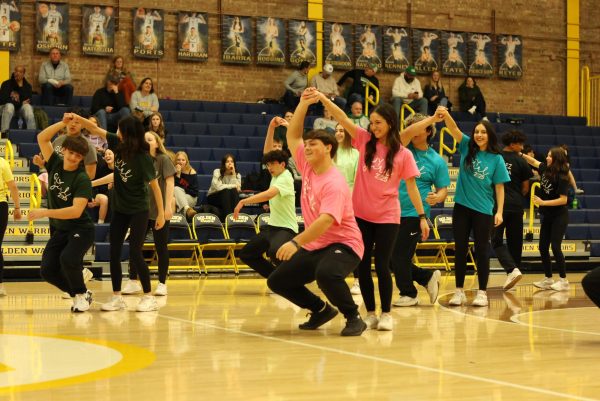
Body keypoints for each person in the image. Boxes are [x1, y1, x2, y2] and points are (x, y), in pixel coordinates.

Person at [319, 93, 429, 331]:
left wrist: (422, 217)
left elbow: (412, 187)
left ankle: (386, 314)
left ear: (390, 122)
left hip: (388, 217)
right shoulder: (364, 140)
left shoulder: (403, 154)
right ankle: (370, 313)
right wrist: (324, 100)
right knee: (362, 265)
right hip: (360, 215)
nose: (374, 126)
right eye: (372, 122)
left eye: (379, 122)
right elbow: (342, 117)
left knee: (382, 265)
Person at [266, 88, 367, 337]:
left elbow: (325, 221)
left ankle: (354, 317)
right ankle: (320, 309)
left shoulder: (335, 182)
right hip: (316, 245)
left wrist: (295, 241)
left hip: (345, 244)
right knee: (277, 280)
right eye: (307, 145)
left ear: (329, 148)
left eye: (313, 145)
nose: (307, 148)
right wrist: (303, 104)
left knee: (326, 274)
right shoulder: (308, 166)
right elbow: (293, 134)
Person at [85, 114, 165, 312]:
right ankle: (116, 297)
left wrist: (161, 214)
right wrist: (76, 118)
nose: (116, 132)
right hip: (120, 208)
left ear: (127, 133)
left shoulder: (143, 158)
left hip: (138, 209)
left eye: (120, 129)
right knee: (114, 251)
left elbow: (155, 188)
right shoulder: (118, 145)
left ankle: (148, 297)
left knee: (135, 252)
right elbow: (95, 130)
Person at [438, 108, 510, 307]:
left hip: (483, 211)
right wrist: (445, 113)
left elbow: (500, 187)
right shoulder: (466, 146)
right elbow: (452, 128)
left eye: (483, 132)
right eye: (477, 131)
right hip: (461, 207)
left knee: (482, 250)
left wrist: (500, 211)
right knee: (460, 249)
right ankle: (459, 291)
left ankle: (482, 292)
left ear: (489, 135)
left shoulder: (496, 159)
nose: (479, 135)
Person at [28, 115, 94, 312]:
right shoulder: (55, 163)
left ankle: (81, 294)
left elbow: (75, 211)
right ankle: (80, 293)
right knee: (47, 270)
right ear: (64, 150)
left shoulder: (81, 179)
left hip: (81, 228)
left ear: (82, 158)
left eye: (78, 156)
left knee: (67, 259)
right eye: (71, 153)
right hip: (61, 229)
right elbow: (42, 138)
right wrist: (64, 124)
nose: (73, 158)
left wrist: (44, 212)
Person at [391, 113, 450, 306]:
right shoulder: (401, 148)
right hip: (390, 212)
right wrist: (433, 118)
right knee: (390, 258)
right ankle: (426, 277)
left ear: (428, 131)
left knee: (399, 257)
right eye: (411, 127)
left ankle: (409, 293)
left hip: (415, 214)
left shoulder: (437, 161)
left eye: (419, 127)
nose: (413, 130)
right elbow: (404, 133)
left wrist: (438, 197)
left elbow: (443, 190)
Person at [122, 131, 175, 296]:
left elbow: (170, 183)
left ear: (157, 143)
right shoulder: (138, 160)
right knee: (134, 246)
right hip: (141, 211)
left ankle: (162, 283)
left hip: (158, 211)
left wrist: (166, 208)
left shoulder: (163, 159)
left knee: (161, 247)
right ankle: (132, 281)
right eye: (143, 139)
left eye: (150, 139)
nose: (146, 142)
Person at [235, 149, 298, 278]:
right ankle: (276, 278)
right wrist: (271, 128)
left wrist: (243, 201)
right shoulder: (275, 176)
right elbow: (267, 151)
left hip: (286, 228)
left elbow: (269, 194)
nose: (269, 167)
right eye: (268, 165)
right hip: (272, 227)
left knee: (275, 251)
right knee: (246, 254)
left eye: (272, 164)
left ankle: (292, 278)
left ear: (282, 164)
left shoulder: (286, 176)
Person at [521, 147, 571, 291]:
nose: (547, 158)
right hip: (548, 216)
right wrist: (520, 154)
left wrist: (543, 203)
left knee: (555, 246)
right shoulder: (545, 170)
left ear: (556, 159)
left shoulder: (563, 176)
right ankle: (548, 278)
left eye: (549, 156)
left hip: (559, 216)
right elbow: (533, 161)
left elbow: (563, 200)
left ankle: (563, 280)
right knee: (543, 246)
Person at [492, 130, 533, 290]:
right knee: (515, 242)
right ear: (512, 144)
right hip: (517, 206)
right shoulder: (521, 161)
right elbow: (525, 188)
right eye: (520, 144)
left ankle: (512, 271)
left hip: (499, 206)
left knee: (496, 240)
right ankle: (514, 274)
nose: (522, 147)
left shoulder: (496, 157)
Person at [332, 122, 360, 295]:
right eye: (336, 131)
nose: (338, 133)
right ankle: (335, 276)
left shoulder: (356, 153)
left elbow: (358, 180)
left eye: (342, 130)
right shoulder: (330, 152)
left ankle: (357, 280)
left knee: (351, 241)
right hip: (332, 201)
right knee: (334, 241)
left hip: (350, 202)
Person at [50, 108, 98, 180]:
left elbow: (91, 175)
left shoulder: (88, 145)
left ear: (83, 125)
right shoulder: (58, 140)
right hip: (56, 182)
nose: (72, 124)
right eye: (70, 120)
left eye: (77, 122)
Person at [0, 151, 21, 296]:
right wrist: (17, 208)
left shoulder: (2, 163)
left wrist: (17, 207)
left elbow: (13, 186)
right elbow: (13, 186)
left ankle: (0, 284)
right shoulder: (2, 162)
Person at [0, 65, 35, 134]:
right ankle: (4, 133)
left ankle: (32, 133)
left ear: (23, 74)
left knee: (27, 107)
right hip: (7, 109)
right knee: (10, 106)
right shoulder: (6, 84)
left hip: (20, 110)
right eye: (16, 71)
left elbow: (28, 100)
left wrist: (19, 87)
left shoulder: (27, 86)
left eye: (20, 72)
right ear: (14, 72)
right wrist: (20, 103)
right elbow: (3, 99)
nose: (17, 73)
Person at [206, 154, 242, 221]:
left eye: (232, 161)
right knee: (226, 191)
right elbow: (218, 187)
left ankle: (234, 216)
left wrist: (233, 174)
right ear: (224, 163)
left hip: (228, 198)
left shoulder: (237, 175)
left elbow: (238, 189)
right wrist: (233, 185)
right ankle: (228, 218)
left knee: (233, 191)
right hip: (214, 196)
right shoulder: (217, 171)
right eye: (227, 161)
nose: (230, 163)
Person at [173, 151, 199, 220]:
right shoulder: (173, 171)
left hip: (191, 197)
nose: (180, 162)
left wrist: (183, 191)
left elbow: (194, 192)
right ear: (175, 161)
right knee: (175, 191)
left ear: (186, 161)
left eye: (183, 160)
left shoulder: (192, 172)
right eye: (178, 160)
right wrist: (178, 174)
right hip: (178, 197)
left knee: (176, 195)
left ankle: (180, 221)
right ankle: (187, 210)